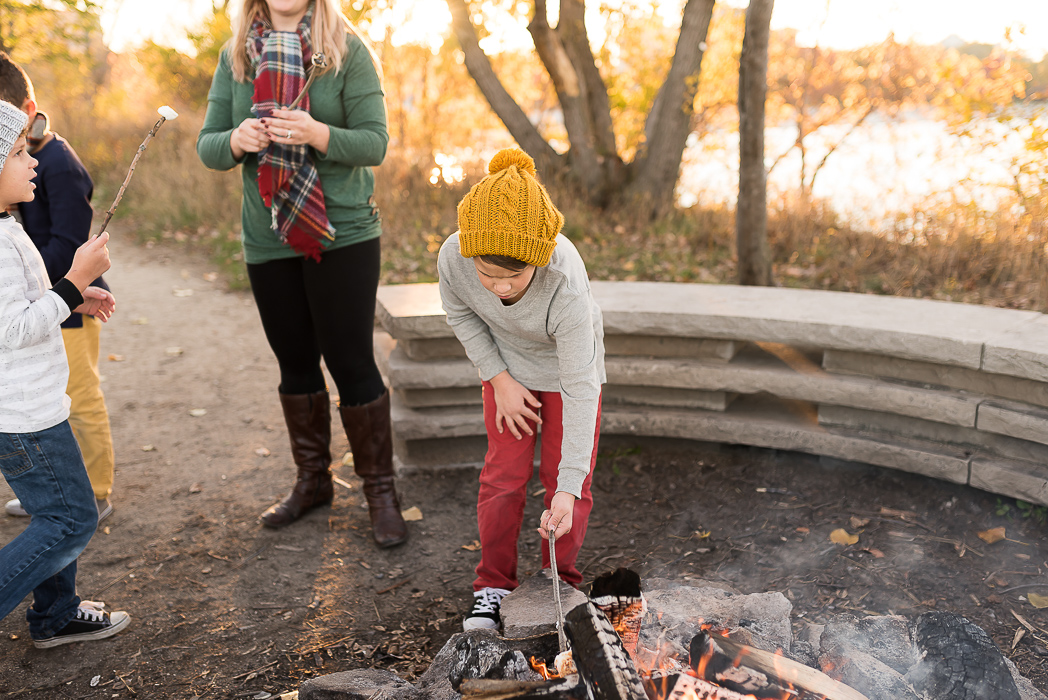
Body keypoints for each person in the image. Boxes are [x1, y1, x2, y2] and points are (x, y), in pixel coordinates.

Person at [197, 0, 407, 547]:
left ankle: (381, 492)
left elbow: (376, 143)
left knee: (352, 361)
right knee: (295, 364)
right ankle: (313, 482)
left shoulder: (346, 48)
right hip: (268, 237)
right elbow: (209, 145)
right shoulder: (236, 55)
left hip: (342, 233)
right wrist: (236, 141)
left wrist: (316, 133)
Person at [437, 148, 606, 631]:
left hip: (566, 375)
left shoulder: (565, 286)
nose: (500, 288)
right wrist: (499, 378)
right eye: (488, 274)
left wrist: (568, 489)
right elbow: (461, 315)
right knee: (502, 477)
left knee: (567, 485)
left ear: (537, 261)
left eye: (513, 276)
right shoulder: (455, 255)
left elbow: (580, 388)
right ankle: (492, 585)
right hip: (507, 372)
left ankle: (558, 580)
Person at [0, 99, 130, 647]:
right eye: (15, 152)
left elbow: (26, 304)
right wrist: (73, 281)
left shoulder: (8, 226)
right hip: (25, 416)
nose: (32, 159)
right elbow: (11, 331)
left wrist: (70, 300)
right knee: (72, 520)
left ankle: (56, 615)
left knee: (53, 511)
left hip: (33, 406)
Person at [0, 53, 117, 524]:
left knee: (80, 397)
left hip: (66, 302)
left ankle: (95, 490)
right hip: (45, 299)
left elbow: (68, 242)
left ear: (27, 110)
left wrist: (62, 291)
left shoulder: (59, 165)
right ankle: (52, 495)